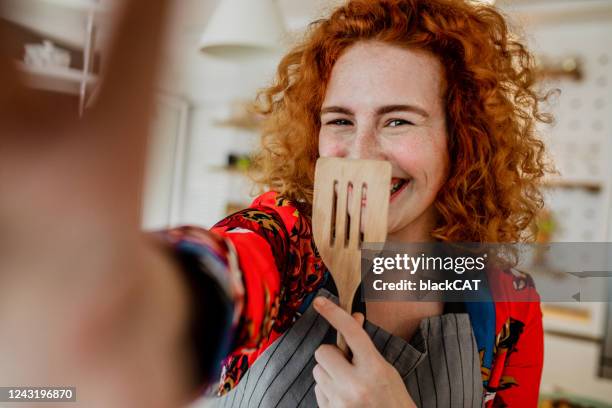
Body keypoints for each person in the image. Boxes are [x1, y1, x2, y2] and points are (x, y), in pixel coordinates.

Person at [0, 0, 551, 407]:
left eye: (398, 120)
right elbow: (225, 275)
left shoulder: (504, 301)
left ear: (461, 138)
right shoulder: (285, 238)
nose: (359, 153)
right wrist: (136, 298)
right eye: (340, 120)